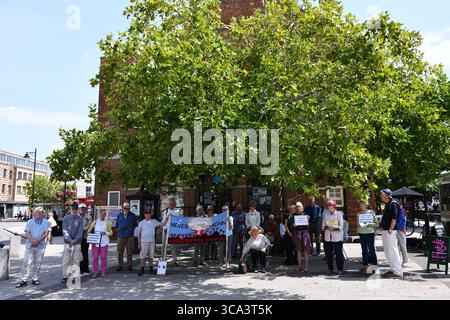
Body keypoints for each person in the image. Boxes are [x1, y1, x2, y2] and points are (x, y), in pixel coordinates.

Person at [16, 207, 50, 288]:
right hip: (30, 245)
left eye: (40, 212)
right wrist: (32, 240)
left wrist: (37, 240)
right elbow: (27, 232)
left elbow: (46, 233)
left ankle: (35, 278)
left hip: (40, 245)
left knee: (38, 263)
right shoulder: (30, 222)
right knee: (26, 262)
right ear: (34, 213)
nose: (38, 213)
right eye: (37, 212)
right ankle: (23, 280)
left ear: (43, 213)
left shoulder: (46, 222)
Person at [137, 210, 170, 276]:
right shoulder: (141, 223)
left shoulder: (154, 221)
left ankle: (151, 269)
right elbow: (139, 234)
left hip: (152, 241)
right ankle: (142, 269)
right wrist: (139, 243)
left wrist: (167, 217)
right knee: (143, 256)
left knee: (151, 256)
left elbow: (162, 224)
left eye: (149, 214)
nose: (148, 215)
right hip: (144, 242)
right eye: (146, 214)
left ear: (150, 214)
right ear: (144, 214)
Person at [379, 189, 403, 277]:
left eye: (382, 194)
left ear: (387, 195)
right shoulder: (387, 204)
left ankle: (398, 271)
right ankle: (393, 269)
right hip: (386, 230)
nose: (381, 196)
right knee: (388, 250)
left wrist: (390, 229)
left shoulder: (393, 204)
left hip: (390, 231)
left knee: (393, 250)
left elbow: (394, 217)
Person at [61, 202, 84, 283]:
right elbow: (64, 230)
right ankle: (65, 276)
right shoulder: (66, 218)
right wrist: (69, 239)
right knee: (66, 259)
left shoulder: (80, 219)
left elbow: (80, 231)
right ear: (70, 209)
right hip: (67, 242)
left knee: (76, 260)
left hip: (77, 242)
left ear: (77, 209)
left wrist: (75, 240)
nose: (74, 210)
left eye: (75, 209)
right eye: (73, 208)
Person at [87, 209, 113, 278]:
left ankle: (103, 271)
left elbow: (111, 233)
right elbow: (89, 230)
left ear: (105, 215)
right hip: (96, 242)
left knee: (103, 257)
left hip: (104, 242)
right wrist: (88, 233)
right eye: (101, 214)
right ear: (99, 214)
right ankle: (95, 272)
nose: (103, 216)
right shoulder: (95, 222)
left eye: (104, 214)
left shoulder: (107, 223)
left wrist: (105, 233)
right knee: (95, 257)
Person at [322, 200, 345, 275]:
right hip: (328, 237)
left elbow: (341, 226)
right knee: (328, 253)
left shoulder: (338, 214)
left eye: (330, 205)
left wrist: (334, 228)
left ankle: (340, 269)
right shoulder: (325, 215)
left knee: (338, 254)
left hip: (337, 237)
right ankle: (330, 268)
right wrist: (327, 227)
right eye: (328, 206)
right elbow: (323, 226)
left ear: (334, 206)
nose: (329, 207)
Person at [356, 199, 378, 273]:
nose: (360, 205)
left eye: (362, 204)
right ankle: (365, 266)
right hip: (362, 233)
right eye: (360, 204)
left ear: (366, 204)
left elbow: (377, 224)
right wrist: (359, 222)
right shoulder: (359, 213)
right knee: (364, 250)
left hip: (370, 233)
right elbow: (358, 225)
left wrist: (369, 224)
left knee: (371, 249)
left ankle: (375, 265)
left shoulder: (371, 213)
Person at [116, 202, 138, 271]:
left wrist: (130, 231)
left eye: (127, 208)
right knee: (120, 252)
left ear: (129, 208)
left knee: (129, 252)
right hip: (120, 236)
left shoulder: (133, 215)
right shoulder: (119, 215)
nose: (126, 209)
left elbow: (135, 225)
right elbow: (117, 225)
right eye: (124, 208)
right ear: (122, 208)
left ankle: (129, 265)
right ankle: (120, 265)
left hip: (130, 237)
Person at [291, 202, 311, 272]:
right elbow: (292, 226)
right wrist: (294, 225)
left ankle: (306, 267)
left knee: (306, 250)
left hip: (305, 233)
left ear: (302, 208)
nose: (298, 208)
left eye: (299, 206)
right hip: (297, 234)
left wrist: (308, 220)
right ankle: (299, 266)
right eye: (296, 207)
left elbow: (308, 226)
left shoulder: (305, 215)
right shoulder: (294, 215)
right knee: (298, 250)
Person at [161, 198, 182, 265]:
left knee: (173, 246)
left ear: (175, 204)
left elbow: (179, 221)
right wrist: (163, 228)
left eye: (172, 204)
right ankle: (163, 259)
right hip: (165, 230)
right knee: (164, 246)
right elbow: (163, 221)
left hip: (173, 231)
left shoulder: (177, 211)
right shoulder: (166, 211)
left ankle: (174, 260)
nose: (171, 205)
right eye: (170, 204)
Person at [79, 203, 92, 274]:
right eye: (81, 208)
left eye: (83, 208)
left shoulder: (88, 216)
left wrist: (82, 229)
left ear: (85, 209)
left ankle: (86, 268)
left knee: (85, 253)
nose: (82, 209)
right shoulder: (76, 216)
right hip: (78, 238)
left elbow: (89, 225)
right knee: (78, 254)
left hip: (85, 237)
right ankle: (80, 268)